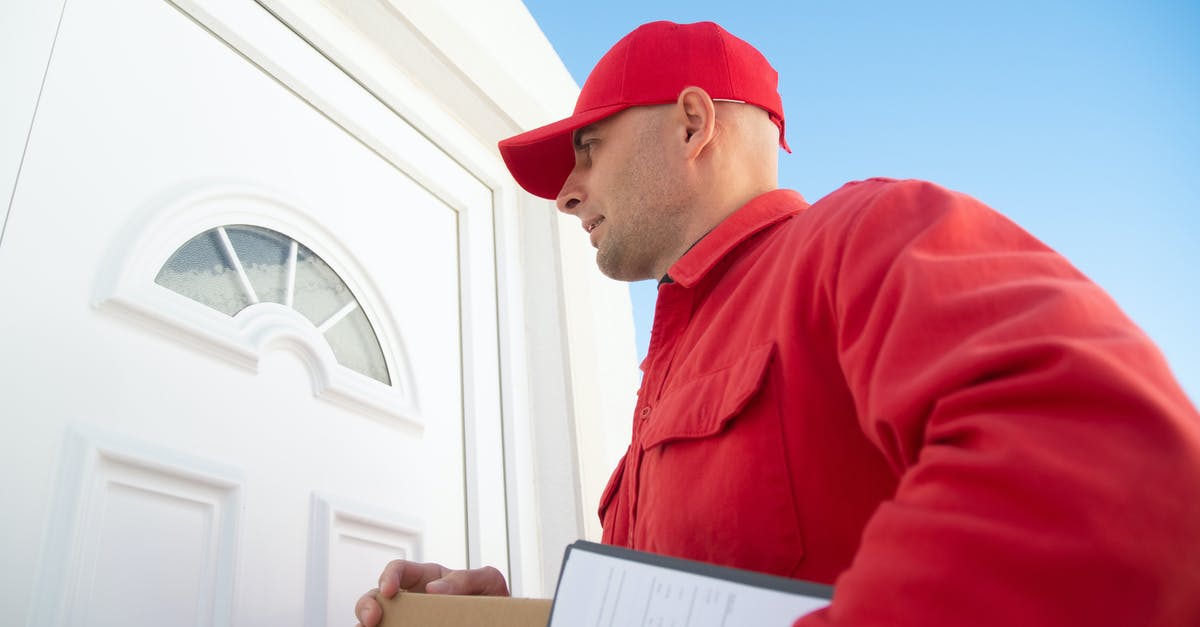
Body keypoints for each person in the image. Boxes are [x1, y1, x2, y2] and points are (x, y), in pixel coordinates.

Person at [355, 20, 1200, 627]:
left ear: (692, 123)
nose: (568, 191)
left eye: (588, 148)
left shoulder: (860, 238)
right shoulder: (661, 383)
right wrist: (514, 620)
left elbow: (1126, 479)